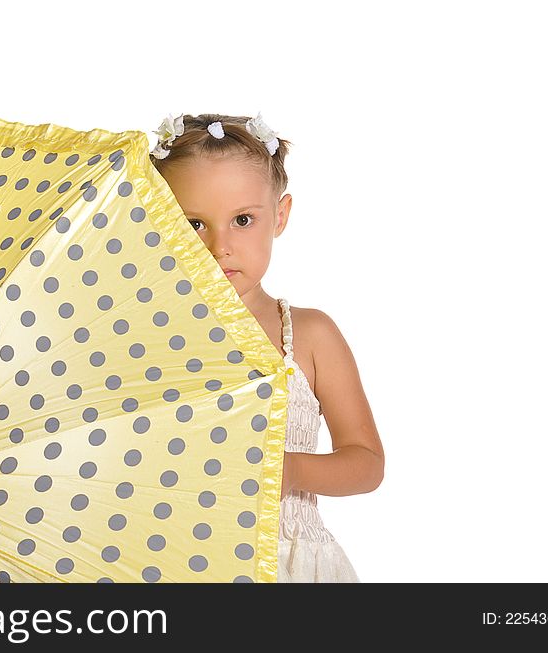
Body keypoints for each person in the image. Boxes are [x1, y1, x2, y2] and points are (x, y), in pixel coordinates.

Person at [149, 113, 384, 582]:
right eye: (193, 223)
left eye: (242, 220)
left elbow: (367, 463)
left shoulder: (310, 335)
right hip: (181, 560)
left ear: (279, 216)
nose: (219, 246)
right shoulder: (150, 340)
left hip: (286, 562)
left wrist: (288, 470)